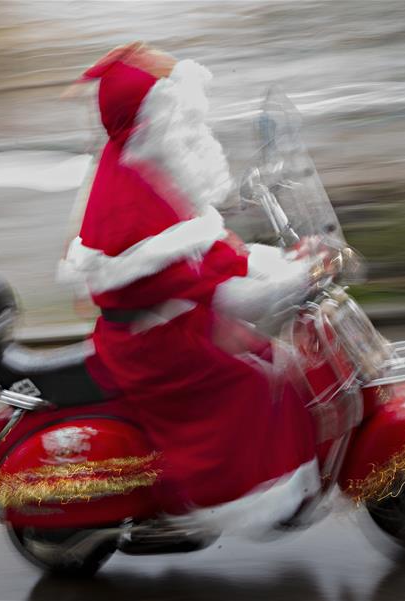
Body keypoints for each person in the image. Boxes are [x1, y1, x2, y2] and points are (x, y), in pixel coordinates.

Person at [59, 43, 323, 533]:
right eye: (182, 119)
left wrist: (286, 261)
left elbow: (217, 254)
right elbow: (222, 291)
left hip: (172, 325)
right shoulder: (135, 195)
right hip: (154, 343)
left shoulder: (152, 171)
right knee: (256, 380)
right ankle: (230, 499)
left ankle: (282, 487)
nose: (194, 130)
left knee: (275, 361)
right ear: (154, 120)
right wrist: (296, 278)